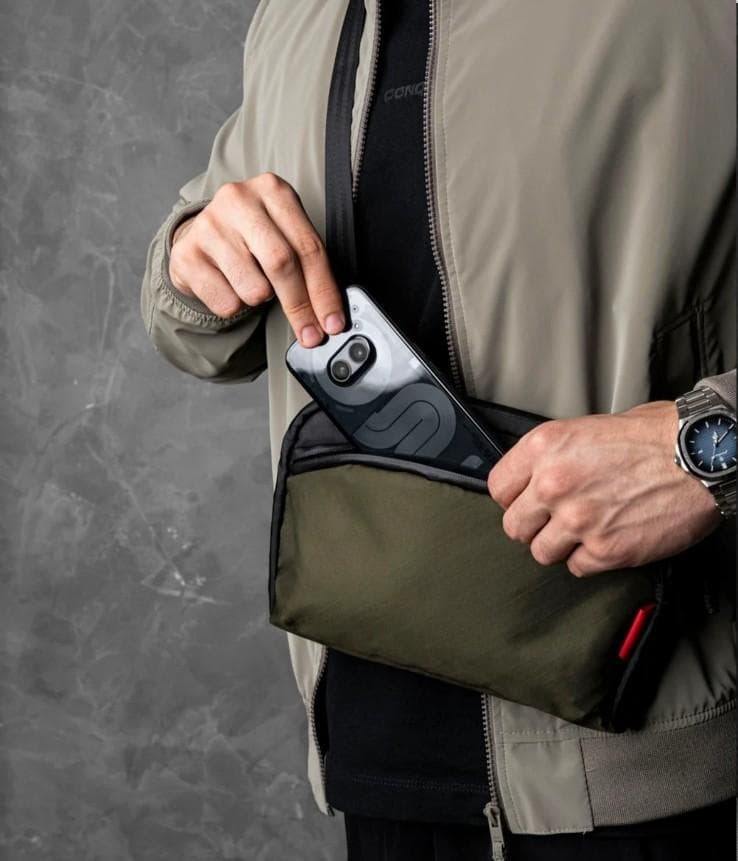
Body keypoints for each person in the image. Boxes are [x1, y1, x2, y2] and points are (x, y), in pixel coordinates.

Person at [140, 2, 736, 858]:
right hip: (377, 752)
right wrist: (195, 256)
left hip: (648, 758)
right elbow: (197, 331)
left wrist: (705, 448)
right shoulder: (298, 15)